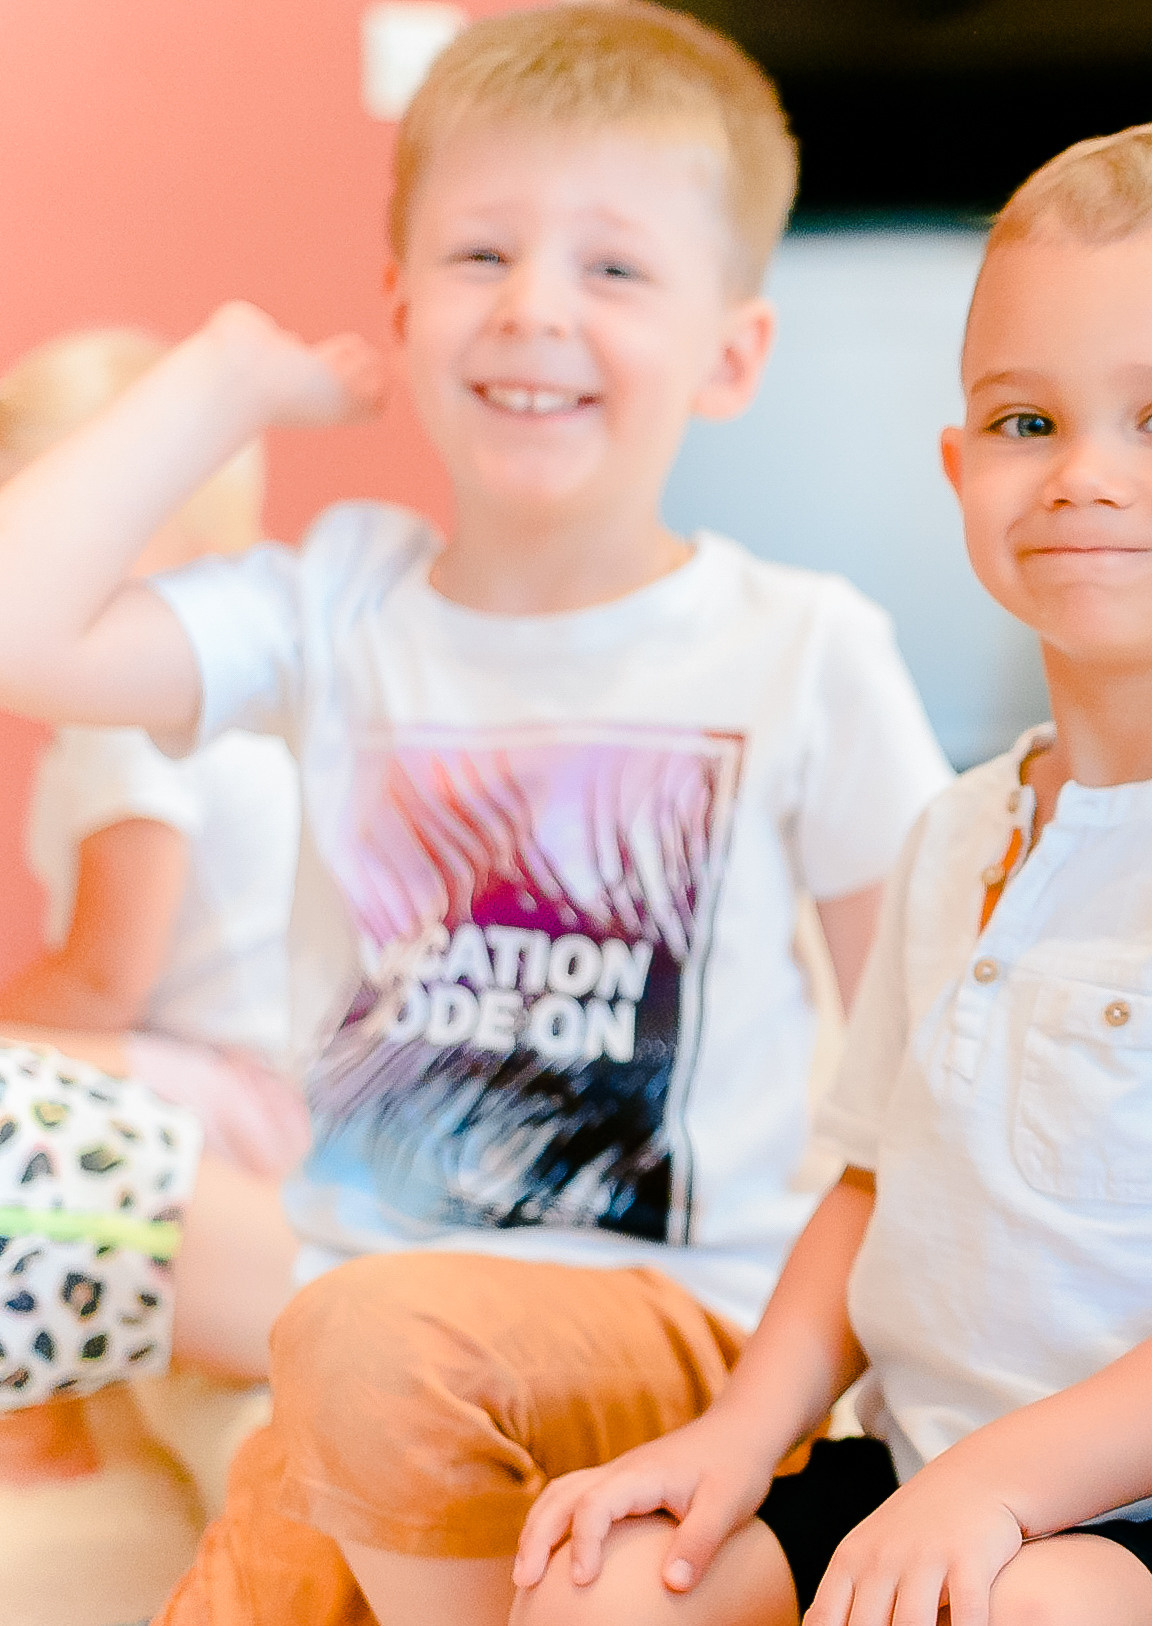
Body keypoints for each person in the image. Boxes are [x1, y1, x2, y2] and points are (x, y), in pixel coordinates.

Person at [0, 7, 950, 1624]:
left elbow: (927, 1065)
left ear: (733, 352)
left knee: (363, 1338)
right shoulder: (333, 606)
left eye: (615, 269)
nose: (534, 310)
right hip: (346, 1344)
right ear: (400, 306)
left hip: (668, 1323)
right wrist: (223, 376)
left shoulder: (805, 650)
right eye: (480, 254)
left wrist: (849, 1416)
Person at [508, 121, 1152, 1626]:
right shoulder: (957, 828)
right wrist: (737, 1434)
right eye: (1026, 423)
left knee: (1016, 1613)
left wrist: (1002, 1488)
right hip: (906, 1464)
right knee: (605, 1588)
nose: (1084, 475)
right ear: (957, 466)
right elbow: (867, 1185)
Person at [0, 326, 306, 1181]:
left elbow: (105, 982)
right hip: (263, 1096)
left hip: (219, 1099)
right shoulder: (224, 706)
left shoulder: (124, 718)